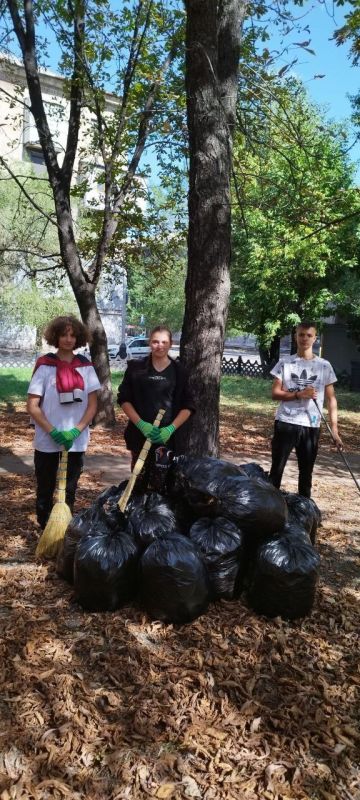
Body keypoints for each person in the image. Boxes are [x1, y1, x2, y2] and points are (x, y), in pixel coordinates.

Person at [27, 315, 101, 529]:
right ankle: (44, 529)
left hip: (75, 441)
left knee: (69, 490)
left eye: (73, 335)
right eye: (63, 334)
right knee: (45, 488)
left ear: (78, 338)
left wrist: (76, 431)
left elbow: (92, 405)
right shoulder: (44, 365)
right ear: (55, 336)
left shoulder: (85, 367)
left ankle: (62, 530)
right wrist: (53, 432)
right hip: (47, 439)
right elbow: (32, 406)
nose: (68, 339)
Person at [269, 321, 343, 498]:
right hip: (286, 422)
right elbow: (275, 393)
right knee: (276, 470)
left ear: (315, 338)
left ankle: (305, 513)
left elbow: (331, 399)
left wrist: (335, 431)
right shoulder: (285, 363)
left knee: (306, 473)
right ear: (296, 337)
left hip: (311, 425)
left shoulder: (324, 365)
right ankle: (268, 513)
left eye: (309, 335)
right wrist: (299, 394)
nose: (304, 338)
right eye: (301, 334)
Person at [117, 326, 195, 488]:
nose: (160, 345)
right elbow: (124, 399)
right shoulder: (136, 368)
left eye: (164, 342)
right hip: (139, 436)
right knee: (137, 483)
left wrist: (170, 429)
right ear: (149, 343)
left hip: (167, 439)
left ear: (170, 344)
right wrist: (141, 424)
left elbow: (188, 405)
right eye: (155, 341)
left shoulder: (180, 371)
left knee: (161, 486)